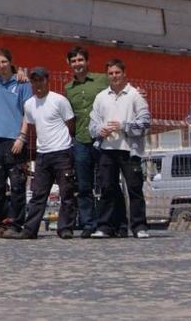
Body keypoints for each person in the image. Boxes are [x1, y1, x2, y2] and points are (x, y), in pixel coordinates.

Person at [7, 67, 77, 239]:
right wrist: (22, 138)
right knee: (38, 194)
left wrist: (65, 143)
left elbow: (71, 124)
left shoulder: (59, 100)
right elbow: (29, 123)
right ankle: (30, 229)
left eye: (41, 80)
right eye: (34, 81)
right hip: (42, 155)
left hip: (61, 152)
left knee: (66, 192)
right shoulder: (29, 104)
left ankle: (65, 228)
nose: (38, 84)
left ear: (47, 81)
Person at [64, 46, 125, 238]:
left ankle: (118, 223)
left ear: (87, 62)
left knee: (110, 183)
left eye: (80, 60)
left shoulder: (101, 79)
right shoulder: (68, 88)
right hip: (81, 140)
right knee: (84, 186)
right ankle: (89, 224)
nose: (77, 64)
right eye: (73, 61)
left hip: (103, 138)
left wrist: (139, 93)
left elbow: (119, 87)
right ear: (69, 64)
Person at [88, 59, 152, 239]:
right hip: (107, 149)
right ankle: (107, 226)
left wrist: (123, 126)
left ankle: (139, 226)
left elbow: (145, 122)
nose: (114, 76)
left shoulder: (135, 95)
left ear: (124, 73)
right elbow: (92, 124)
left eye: (117, 73)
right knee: (107, 188)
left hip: (129, 149)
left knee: (134, 188)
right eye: (110, 73)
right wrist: (100, 130)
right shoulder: (101, 97)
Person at [0, 48, 33, 237]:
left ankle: (16, 224)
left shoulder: (22, 83)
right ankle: (3, 223)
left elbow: (28, 113)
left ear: (10, 62)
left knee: (18, 185)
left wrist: (22, 136)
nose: (1, 66)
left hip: (15, 140)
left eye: (4, 62)